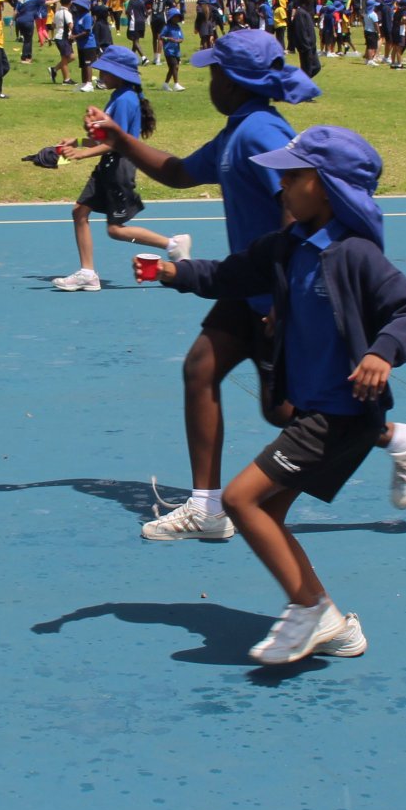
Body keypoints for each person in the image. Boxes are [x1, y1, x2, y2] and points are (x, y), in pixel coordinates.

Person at [140, 125, 406, 664]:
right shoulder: (285, 248)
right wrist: (177, 273)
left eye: (293, 175)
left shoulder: (356, 255)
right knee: (267, 513)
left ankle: (310, 610)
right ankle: (334, 623)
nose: (280, 186)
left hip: (341, 414)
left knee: (239, 500)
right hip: (317, 412)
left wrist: (381, 353)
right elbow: (230, 274)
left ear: (327, 187)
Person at [81, 29, 321, 541]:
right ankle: (207, 508)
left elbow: (293, 210)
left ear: (232, 82)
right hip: (246, 286)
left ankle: (394, 435)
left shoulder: (262, 132)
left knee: (284, 412)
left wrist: (283, 295)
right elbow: (181, 172)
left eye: (214, 72)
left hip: (272, 291)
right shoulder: (238, 129)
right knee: (201, 369)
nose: (208, 79)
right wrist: (120, 139)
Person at [51, 45, 192, 291]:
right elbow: (105, 137)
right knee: (79, 212)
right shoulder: (118, 97)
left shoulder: (126, 100)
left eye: (105, 71)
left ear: (120, 74)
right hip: (108, 164)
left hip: (120, 167)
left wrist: (83, 153)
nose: (101, 75)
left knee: (115, 230)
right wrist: (77, 141)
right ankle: (87, 273)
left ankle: (172, 245)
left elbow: (116, 142)